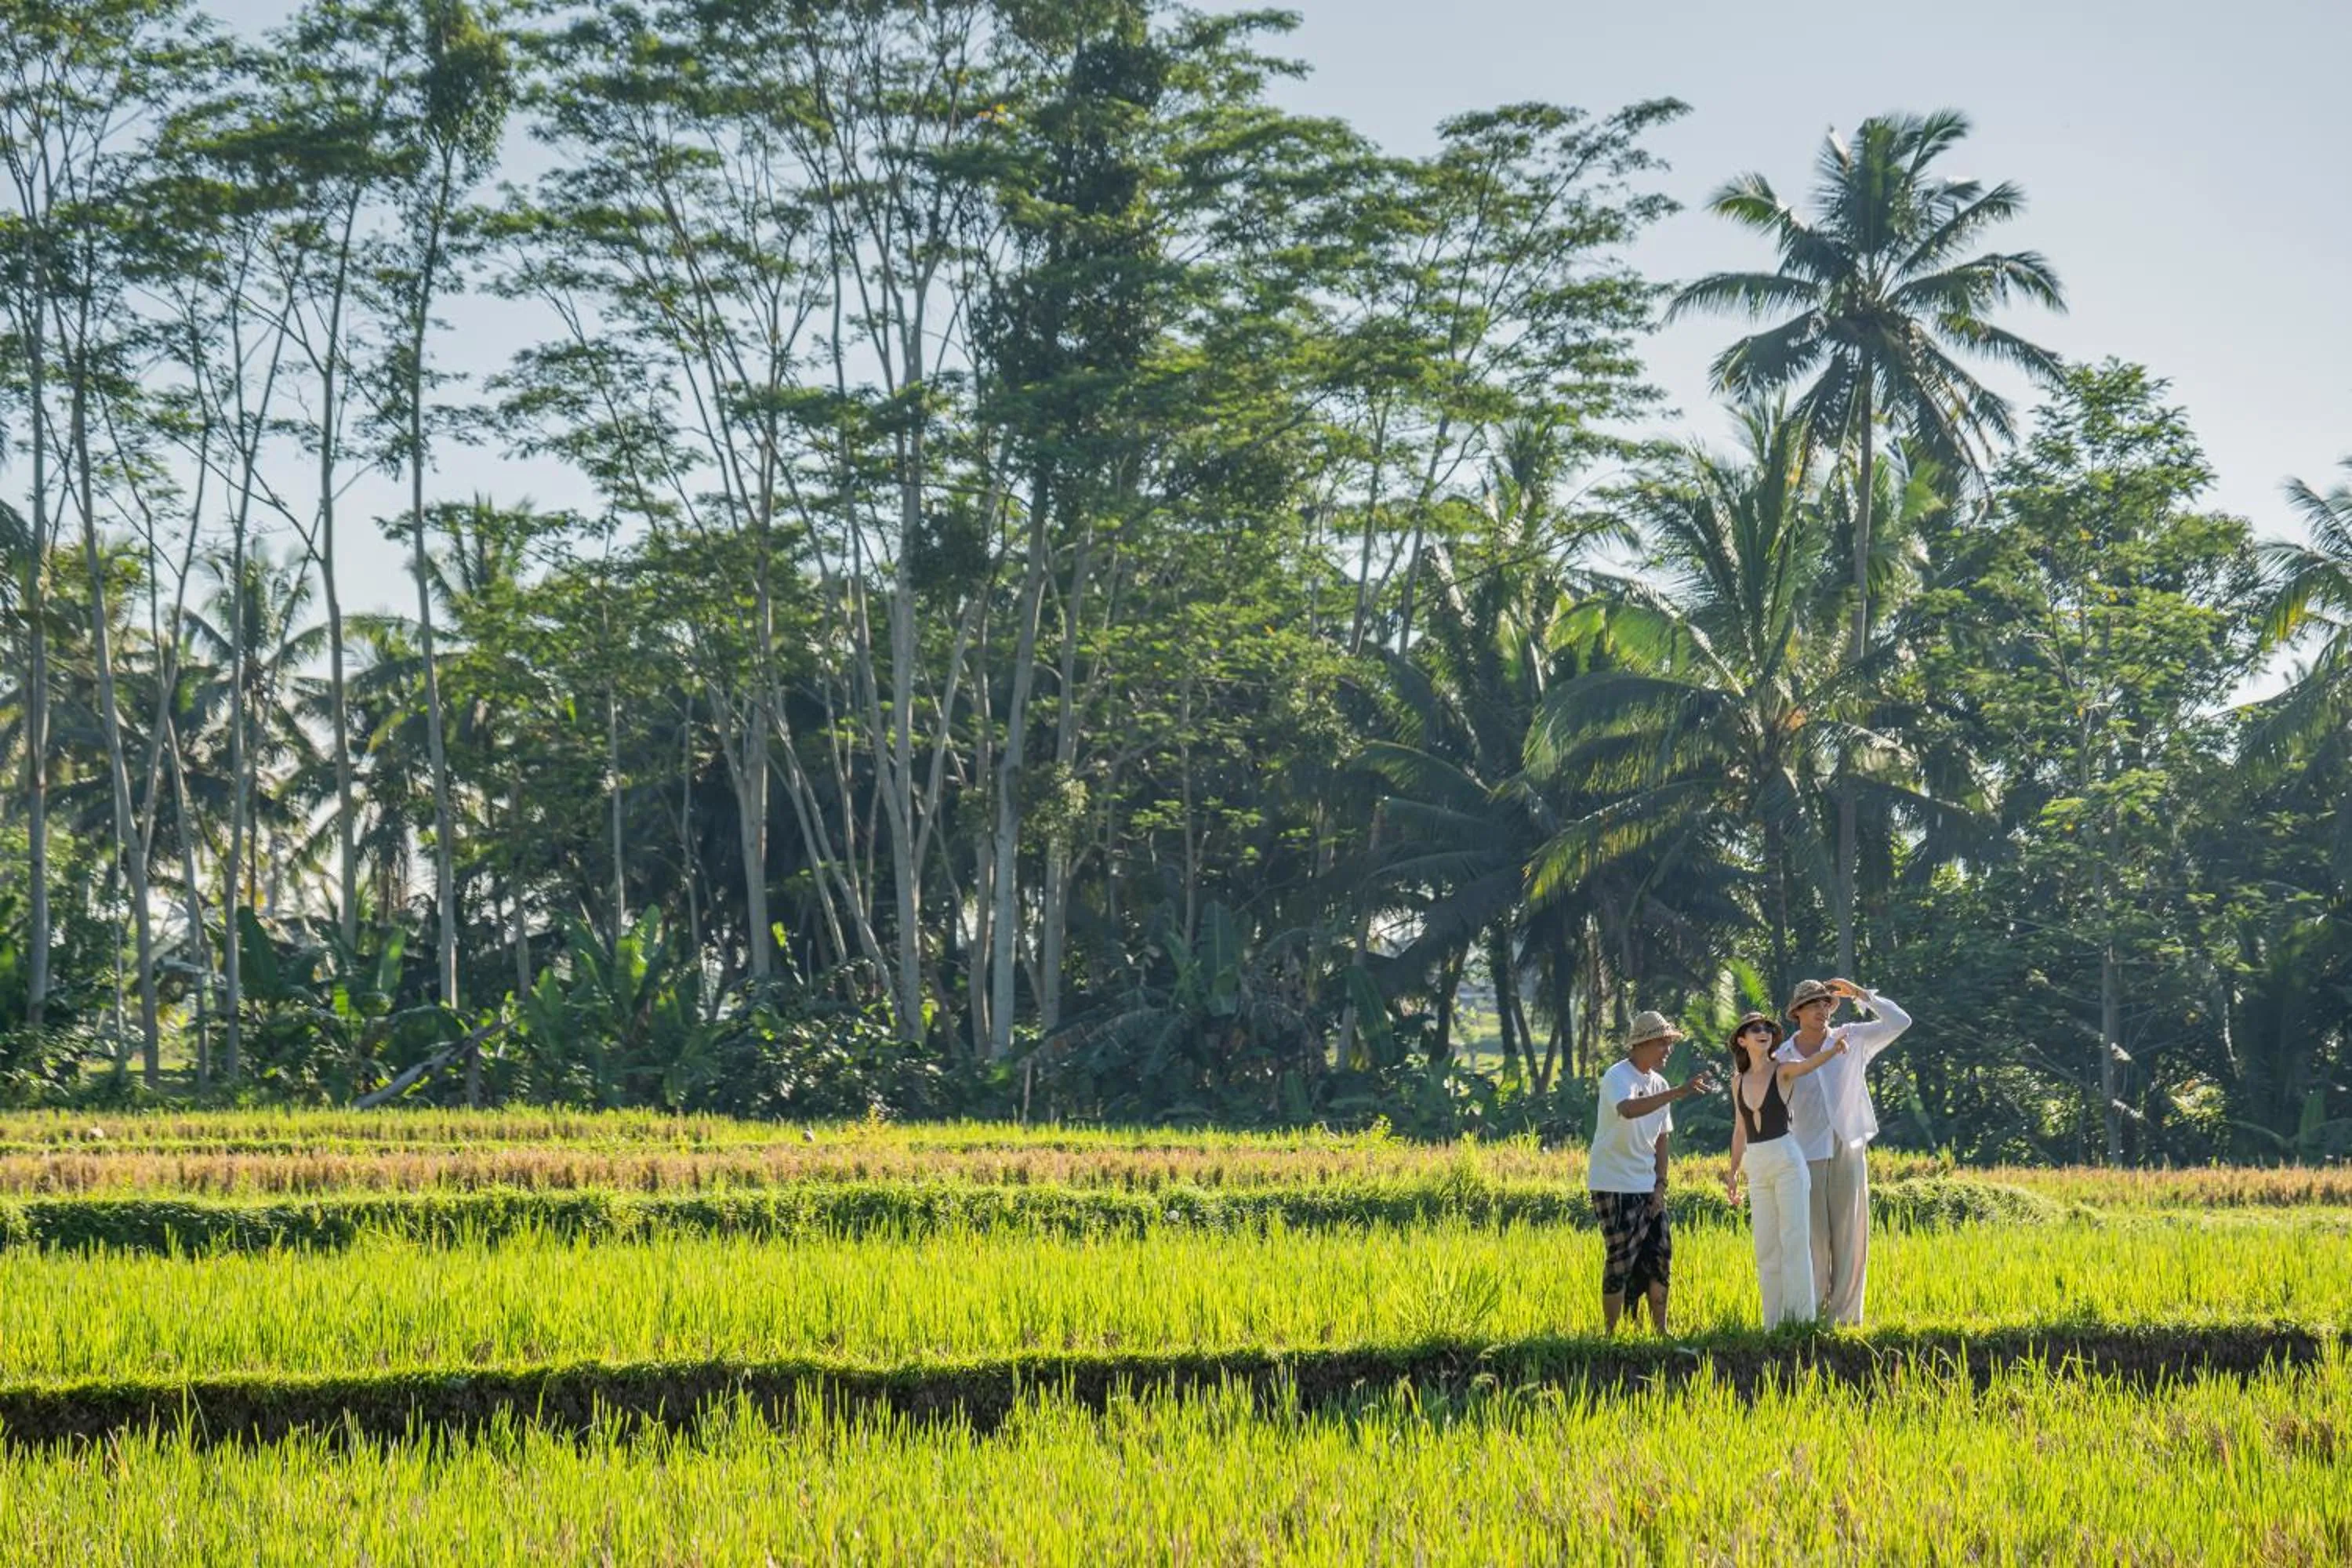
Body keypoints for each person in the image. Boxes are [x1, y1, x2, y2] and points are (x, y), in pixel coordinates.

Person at [1773, 977, 1911, 1325]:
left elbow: (1900, 1022)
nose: (1821, 1009)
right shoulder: (1782, 1056)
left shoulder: (1851, 1036)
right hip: (1805, 1150)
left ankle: (1846, 1318)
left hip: (1847, 1145)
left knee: (1849, 1234)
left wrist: (1861, 995)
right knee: (1814, 1238)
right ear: (1797, 1012)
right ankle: (1813, 1314)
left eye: (1825, 1003)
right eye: (1813, 1004)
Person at [1588, 1010, 1717, 1334]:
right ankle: (1610, 1334)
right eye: (1662, 1043)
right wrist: (1679, 1092)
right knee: (1621, 1258)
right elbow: (1628, 1110)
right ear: (1641, 1044)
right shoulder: (1618, 1076)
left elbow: (1662, 1140)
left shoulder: (1660, 1083)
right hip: (1613, 1182)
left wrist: (1661, 1186)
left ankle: (1661, 1331)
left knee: (1660, 1256)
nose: (1668, 1050)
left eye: (1669, 1043)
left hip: (1647, 1184)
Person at [1722, 1011, 1848, 1328]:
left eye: (1767, 1028)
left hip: (1787, 1161)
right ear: (1742, 1040)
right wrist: (1733, 1174)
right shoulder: (1737, 1082)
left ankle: (1801, 1321)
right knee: (1766, 1245)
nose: (1762, 1032)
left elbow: (1808, 1065)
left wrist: (1833, 1049)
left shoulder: (1783, 1070)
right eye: (1754, 1029)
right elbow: (1739, 1130)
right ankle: (1773, 1324)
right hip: (1757, 1164)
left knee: (1794, 1240)